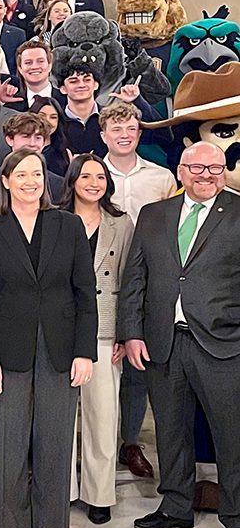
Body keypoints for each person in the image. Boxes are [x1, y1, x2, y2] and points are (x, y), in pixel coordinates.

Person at [0, 148, 98, 528]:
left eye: (36, 174)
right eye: (20, 174)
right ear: (4, 181)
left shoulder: (69, 225)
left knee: (55, 446)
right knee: (8, 447)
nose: (30, 181)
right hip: (7, 354)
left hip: (62, 352)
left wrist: (85, 351)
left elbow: (85, 293)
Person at [119, 142, 240, 528]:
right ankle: (175, 505)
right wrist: (131, 332)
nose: (207, 175)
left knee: (232, 434)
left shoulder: (238, 212)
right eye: (198, 168)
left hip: (223, 343)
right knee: (170, 429)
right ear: (181, 171)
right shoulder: (155, 215)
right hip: (163, 341)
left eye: (215, 168)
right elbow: (135, 278)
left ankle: (237, 516)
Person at [99, 102, 175, 478]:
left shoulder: (160, 178)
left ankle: (129, 441)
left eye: (130, 128)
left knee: (135, 366)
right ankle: (97, 444)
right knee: (100, 366)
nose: (124, 135)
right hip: (103, 280)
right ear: (104, 135)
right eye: (116, 129)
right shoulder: (92, 174)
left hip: (147, 280)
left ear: (139, 133)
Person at [59, 153, 133, 525]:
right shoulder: (53, 219)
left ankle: (98, 494)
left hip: (104, 329)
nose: (93, 182)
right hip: (59, 329)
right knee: (60, 417)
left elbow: (130, 280)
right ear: (72, 180)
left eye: (100, 176)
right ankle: (64, 489)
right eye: (85, 176)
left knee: (103, 416)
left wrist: (125, 332)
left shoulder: (121, 223)